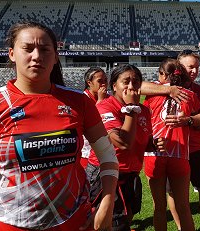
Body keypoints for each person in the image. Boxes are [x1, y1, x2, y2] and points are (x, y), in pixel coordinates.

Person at [0, 21, 118, 231]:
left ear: (55, 55)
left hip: (76, 221)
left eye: (44, 49)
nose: (36, 56)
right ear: (12, 53)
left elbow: (107, 156)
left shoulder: (79, 101)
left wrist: (107, 201)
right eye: (27, 48)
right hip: (15, 224)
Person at [86, 64, 152, 231]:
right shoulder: (105, 107)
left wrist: (154, 144)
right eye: (126, 81)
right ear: (114, 86)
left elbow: (139, 141)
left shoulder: (143, 110)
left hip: (131, 173)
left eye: (136, 82)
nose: (131, 86)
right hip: (105, 175)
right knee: (111, 223)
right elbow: (122, 142)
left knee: (127, 216)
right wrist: (131, 110)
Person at [143, 58, 199, 231]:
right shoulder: (189, 95)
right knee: (183, 208)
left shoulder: (152, 94)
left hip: (155, 153)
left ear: (162, 74)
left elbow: (138, 87)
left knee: (159, 208)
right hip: (179, 154)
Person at [166, 50, 200, 231]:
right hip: (174, 150)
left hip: (196, 149)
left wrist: (190, 120)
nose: (194, 71)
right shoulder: (165, 86)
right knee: (173, 193)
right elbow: (141, 87)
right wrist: (168, 89)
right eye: (190, 66)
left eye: (197, 67)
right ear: (179, 67)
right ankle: (180, 227)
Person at [81, 67, 109, 168]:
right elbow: (92, 119)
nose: (104, 84)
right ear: (89, 82)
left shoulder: (109, 97)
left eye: (105, 80)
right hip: (87, 153)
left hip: (105, 150)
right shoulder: (82, 99)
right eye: (100, 81)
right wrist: (100, 101)